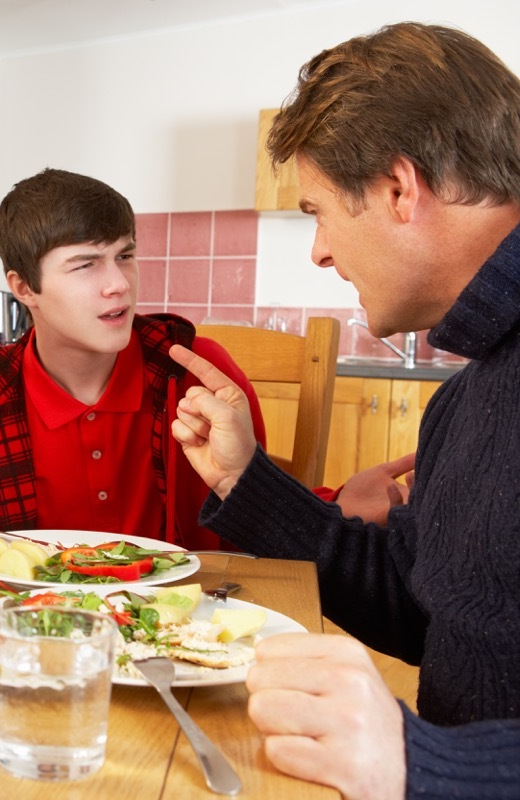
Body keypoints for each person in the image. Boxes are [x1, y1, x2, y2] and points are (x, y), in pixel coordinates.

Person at [166, 22, 520, 799]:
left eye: (320, 212)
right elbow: (429, 612)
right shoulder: (467, 395)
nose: (320, 251)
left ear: (400, 189)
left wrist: (424, 762)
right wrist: (246, 483)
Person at [0, 168, 269, 550]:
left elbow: (257, 553)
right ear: (24, 288)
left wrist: (247, 484)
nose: (119, 284)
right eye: (86, 265)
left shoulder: (199, 374)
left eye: (125, 256)